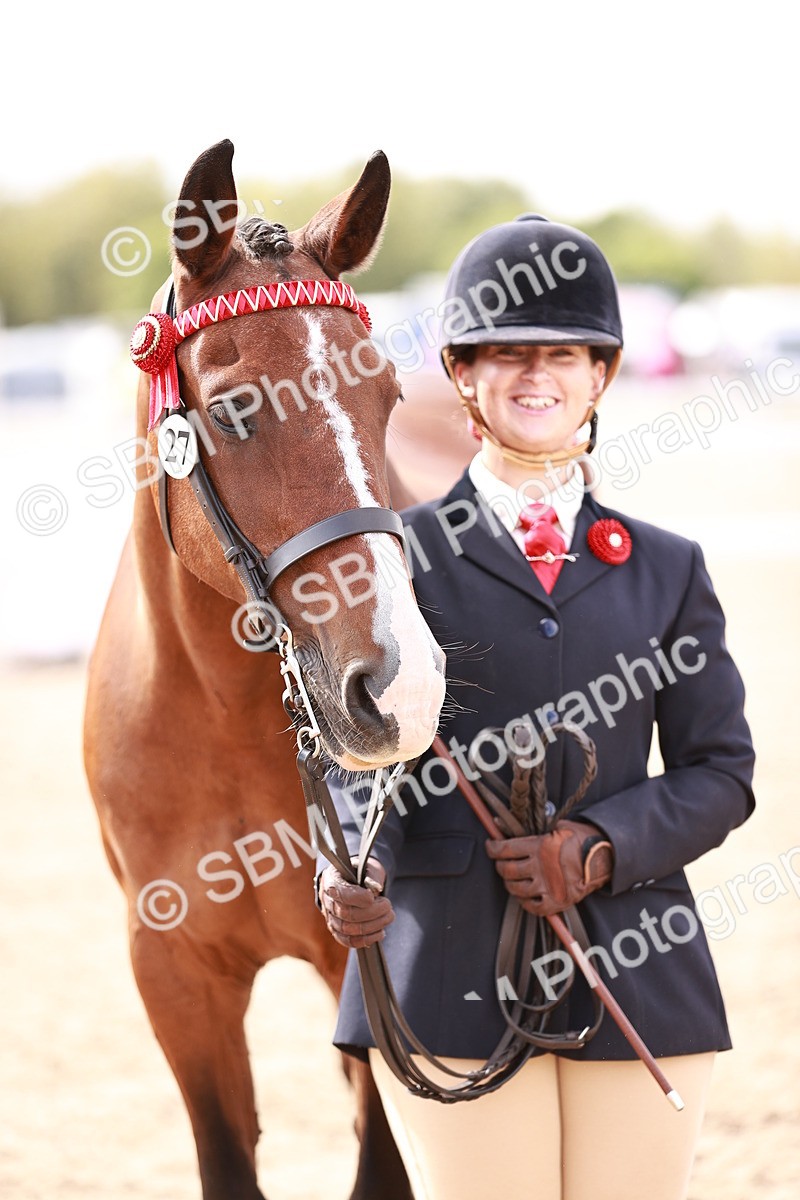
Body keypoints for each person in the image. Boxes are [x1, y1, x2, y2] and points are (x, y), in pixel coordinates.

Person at [317, 214, 755, 1200]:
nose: (533, 376)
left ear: (598, 374)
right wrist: (355, 864)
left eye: (559, 353)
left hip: (636, 973)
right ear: (461, 374)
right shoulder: (392, 560)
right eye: (502, 355)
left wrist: (597, 845)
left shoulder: (665, 569)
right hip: (439, 973)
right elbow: (349, 759)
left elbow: (719, 773)